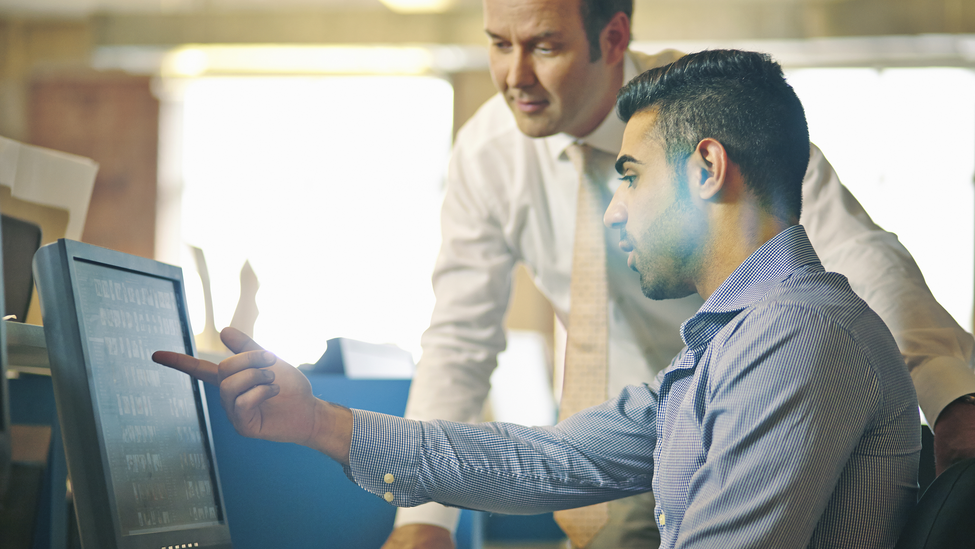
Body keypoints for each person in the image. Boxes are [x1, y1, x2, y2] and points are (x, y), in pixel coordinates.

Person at [154, 49, 921, 549]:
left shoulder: (798, 338)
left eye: (629, 175)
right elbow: (548, 458)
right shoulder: (732, 341)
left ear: (706, 168)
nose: (614, 206)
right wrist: (316, 419)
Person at [382, 0, 975, 547]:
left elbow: (859, 255)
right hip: (626, 429)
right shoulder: (488, 151)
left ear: (613, 37)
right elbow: (459, 338)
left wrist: (951, 397)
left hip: (743, 409)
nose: (514, 76)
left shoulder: (709, 113)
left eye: (543, 46)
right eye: (497, 45)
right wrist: (424, 520)